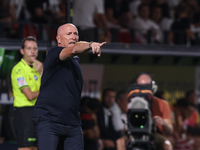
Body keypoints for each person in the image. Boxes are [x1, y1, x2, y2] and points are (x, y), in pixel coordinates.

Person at [32, 23, 106, 150]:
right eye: (68, 34)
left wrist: (86, 44)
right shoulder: (54, 52)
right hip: (49, 119)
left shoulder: (75, 60)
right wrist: (90, 44)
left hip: (72, 123)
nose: (73, 36)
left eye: (75, 33)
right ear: (59, 39)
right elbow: (73, 49)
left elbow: (75, 48)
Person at [11, 36, 43, 150]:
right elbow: (29, 96)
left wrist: (42, 73)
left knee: (36, 147)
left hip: (37, 111)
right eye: (29, 48)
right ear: (22, 51)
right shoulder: (18, 69)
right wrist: (45, 93)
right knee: (25, 147)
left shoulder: (38, 67)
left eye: (35, 48)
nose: (33, 51)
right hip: (24, 112)